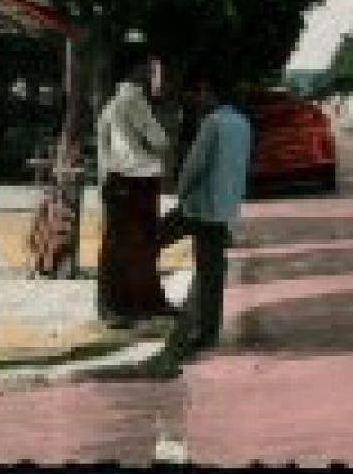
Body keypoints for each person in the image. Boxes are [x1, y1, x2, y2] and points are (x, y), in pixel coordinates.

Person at [160, 74, 253, 355]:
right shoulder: (242, 123)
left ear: (210, 93)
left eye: (201, 93)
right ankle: (208, 330)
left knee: (151, 238)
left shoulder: (212, 123)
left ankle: (205, 331)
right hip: (224, 207)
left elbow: (195, 164)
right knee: (212, 270)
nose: (198, 99)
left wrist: (180, 191)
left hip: (201, 206)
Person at [95, 75, 175, 327]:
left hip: (115, 179)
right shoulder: (134, 99)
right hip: (137, 179)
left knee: (117, 244)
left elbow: (104, 148)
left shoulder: (109, 106)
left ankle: (117, 305)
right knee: (139, 244)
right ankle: (140, 303)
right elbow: (160, 140)